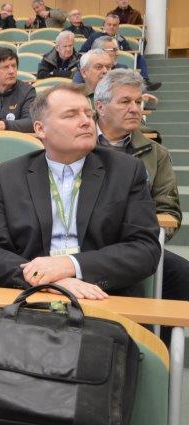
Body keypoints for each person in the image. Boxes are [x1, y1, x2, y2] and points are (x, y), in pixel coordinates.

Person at [0, 83, 160, 299]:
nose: (86, 121)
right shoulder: (7, 176)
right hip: (31, 297)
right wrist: (47, 280)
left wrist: (71, 264)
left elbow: (145, 250)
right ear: (40, 129)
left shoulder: (126, 171)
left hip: (104, 297)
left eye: (89, 114)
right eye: (71, 115)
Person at [94, 68, 188, 309]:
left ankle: (157, 334)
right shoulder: (76, 142)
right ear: (100, 107)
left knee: (182, 275)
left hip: (132, 244)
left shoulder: (156, 153)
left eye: (138, 101)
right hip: (80, 240)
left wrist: (139, 238)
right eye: (125, 101)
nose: (135, 108)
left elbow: (169, 211)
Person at [80, 15, 160, 91]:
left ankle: (145, 81)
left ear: (118, 27)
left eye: (114, 25)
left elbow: (130, 52)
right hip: (101, 64)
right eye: (109, 24)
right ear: (104, 25)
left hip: (117, 63)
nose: (111, 27)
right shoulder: (95, 36)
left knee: (139, 57)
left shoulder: (121, 39)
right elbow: (82, 51)